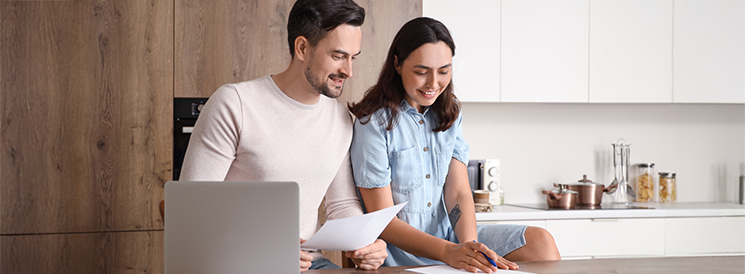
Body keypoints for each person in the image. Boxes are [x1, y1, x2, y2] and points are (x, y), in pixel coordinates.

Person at [179, 0, 387, 271]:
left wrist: (365, 241)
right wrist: (266, 249)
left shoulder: (341, 120)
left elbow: (342, 204)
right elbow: (191, 211)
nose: (348, 71)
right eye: (338, 56)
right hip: (239, 263)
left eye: (353, 57)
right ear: (302, 48)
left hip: (309, 263)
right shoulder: (235, 104)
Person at [348, 17, 561, 273]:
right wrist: (449, 253)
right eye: (421, 72)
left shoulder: (450, 113)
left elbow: (459, 193)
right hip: (403, 253)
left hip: (452, 240)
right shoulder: (372, 123)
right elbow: (382, 221)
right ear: (397, 64)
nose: (433, 83)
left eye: (444, 71)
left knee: (542, 244)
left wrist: (470, 248)